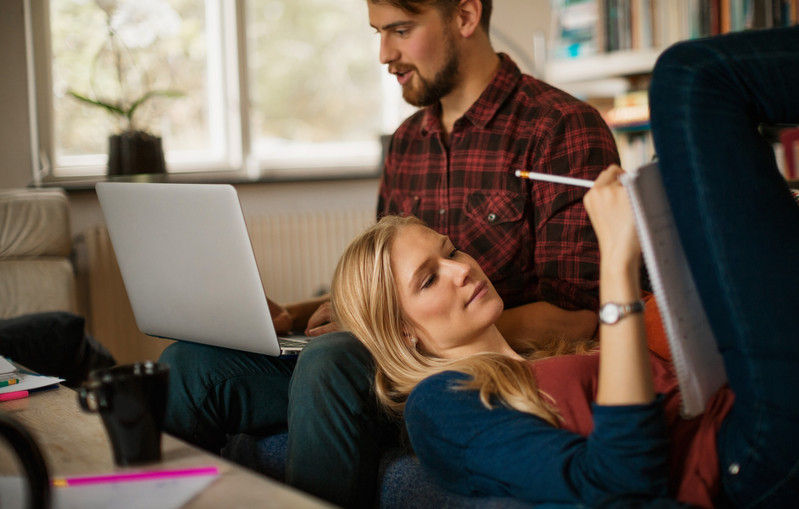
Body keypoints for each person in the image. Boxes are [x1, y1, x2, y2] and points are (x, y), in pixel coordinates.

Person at [328, 13, 799, 508]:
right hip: (753, 453)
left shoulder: (547, 350)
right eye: (430, 280)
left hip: (756, 402)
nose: (463, 267)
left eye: (450, 251)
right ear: (404, 337)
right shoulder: (440, 406)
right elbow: (622, 484)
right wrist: (619, 270)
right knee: (692, 79)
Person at [159, 0, 619, 506]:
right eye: (378, 32)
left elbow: (578, 318)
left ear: (465, 17)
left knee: (332, 360)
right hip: (392, 353)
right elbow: (384, 275)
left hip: (470, 370)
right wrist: (295, 312)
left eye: (400, 30)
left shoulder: (560, 127)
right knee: (191, 363)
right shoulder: (407, 142)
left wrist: (404, 335)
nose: (384, 53)